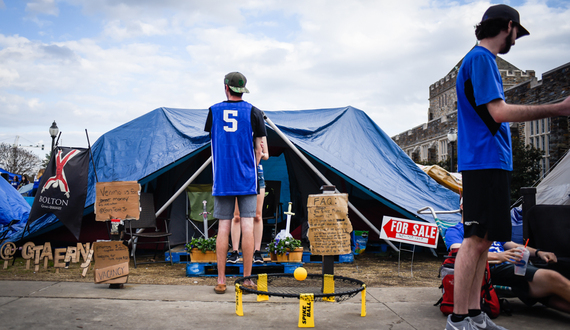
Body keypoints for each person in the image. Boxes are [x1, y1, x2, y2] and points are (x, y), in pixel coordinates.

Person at [449, 4, 570, 330]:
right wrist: (558, 108)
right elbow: (499, 112)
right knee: (474, 240)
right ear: (507, 26)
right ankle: (459, 320)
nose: (515, 40)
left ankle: (475, 315)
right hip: (483, 162)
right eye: (516, 32)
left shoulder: (478, 61)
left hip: (491, 162)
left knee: (484, 241)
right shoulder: (481, 59)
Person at [204, 72, 266, 294]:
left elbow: (211, 141)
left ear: (226, 88)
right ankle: (247, 279)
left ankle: (221, 280)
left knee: (223, 227)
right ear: (243, 89)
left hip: (222, 178)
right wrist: (250, 165)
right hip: (247, 177)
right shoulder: (254, 112)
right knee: (248, 225)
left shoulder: (213, 111)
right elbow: (259, 149)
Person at [445, 221, 570, 314]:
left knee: (554, 295)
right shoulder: (455, 230)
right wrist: (500, 256)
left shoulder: (490, 230)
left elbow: (515, 246)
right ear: (464, 205)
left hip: (510, 267)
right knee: (552, 277)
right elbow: (459, 254)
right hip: (488, 270)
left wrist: (539, 253)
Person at [227, 139, 269, 264]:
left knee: (257, 215)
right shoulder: (236, 129)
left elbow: (267, 155)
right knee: (236, 216)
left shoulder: (260, 132)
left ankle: (257, 252)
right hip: (238, 173)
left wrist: (261, 154)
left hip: (256, 174)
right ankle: (235, 251)